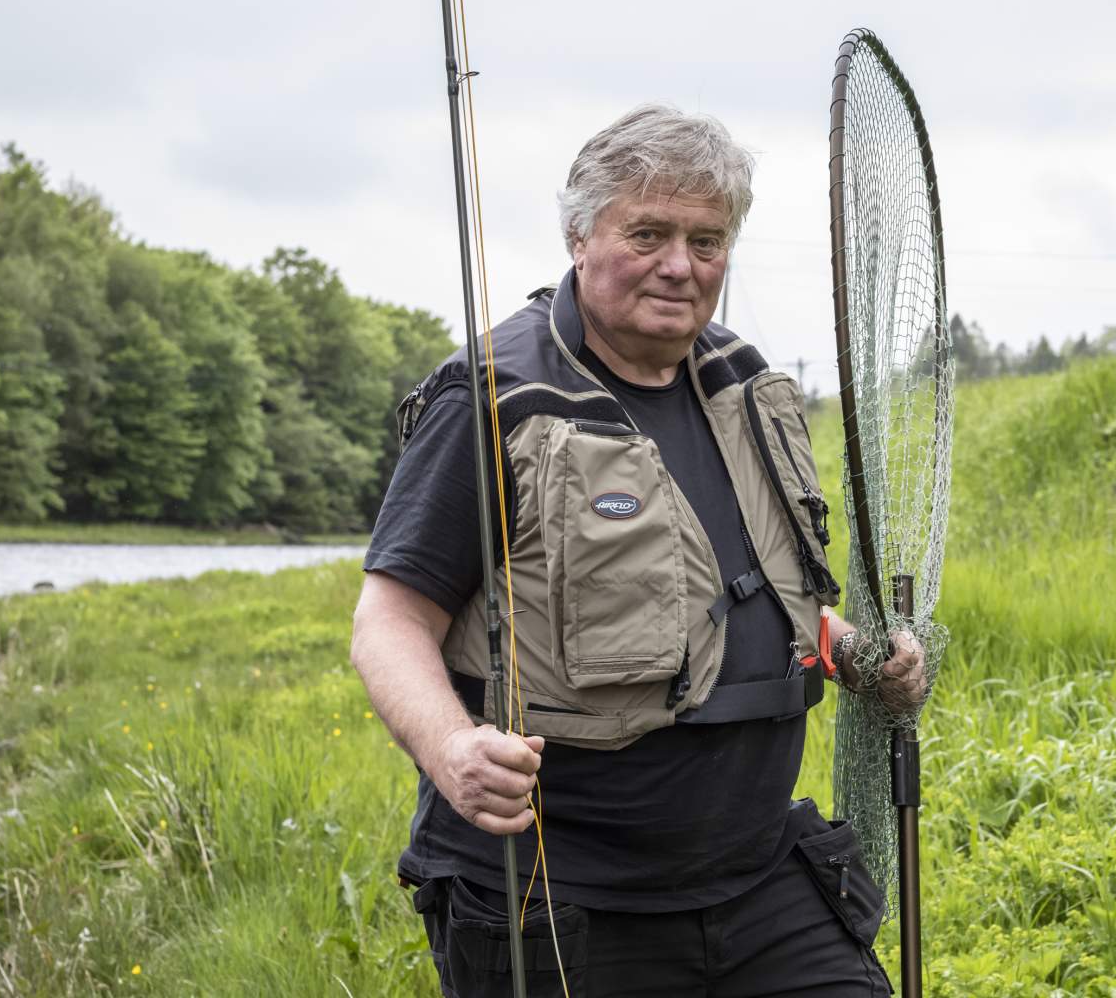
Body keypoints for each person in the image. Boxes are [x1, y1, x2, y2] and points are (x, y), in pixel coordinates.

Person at [350, 104, 926, 997]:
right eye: (648, 232)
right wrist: (454, 752)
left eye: (706, 241)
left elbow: (757, 595)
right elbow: (388, 620)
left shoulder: (740, 379)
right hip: (560, 898)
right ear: (580, 236)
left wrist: (852, 652)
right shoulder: (496, 395)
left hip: (761, 877)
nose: (679, 265)